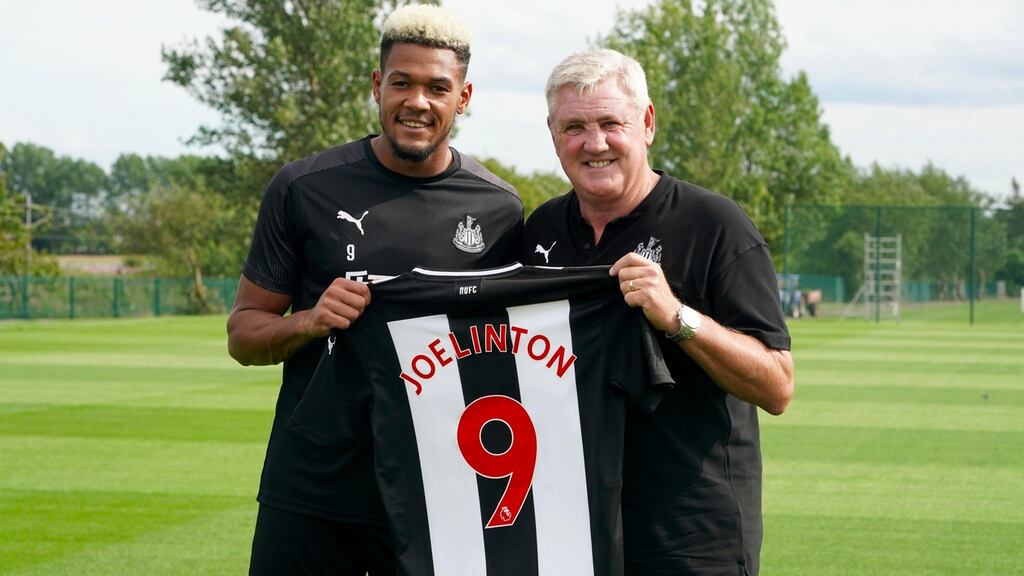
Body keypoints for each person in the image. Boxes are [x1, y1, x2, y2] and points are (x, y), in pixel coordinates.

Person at [226, 5, 523, 575]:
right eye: (402, 82)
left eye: (438, 87)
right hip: (313, 488)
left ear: (463, 98)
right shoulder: (302, 187)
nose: (418, 101)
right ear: (376, 86)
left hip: (436, 496)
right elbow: (243, 335)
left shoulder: (498, 208)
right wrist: (309, 320)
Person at [520, 48, 793, 576]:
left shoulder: (715, 224)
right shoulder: (542, 231)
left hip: (692, 534)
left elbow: (777, 385)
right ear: (553, 135)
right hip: (573, 524)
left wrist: (678, 317)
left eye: (610, 123)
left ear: (645, 124)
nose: (594, 143)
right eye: (574, 126)